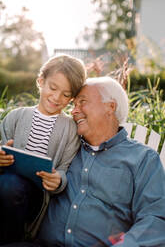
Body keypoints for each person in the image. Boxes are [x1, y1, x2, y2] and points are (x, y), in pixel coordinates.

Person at [2, 76, 165, 247]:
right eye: (73, 104)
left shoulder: (142, 159)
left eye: (82, 102)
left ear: (110, 107)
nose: (73, 111)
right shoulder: (67, 148)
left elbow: (156, 218)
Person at [0, 54, 86, 244]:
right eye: (52, 88)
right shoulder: (15, 117)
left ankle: (12, 241)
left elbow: (66, 169)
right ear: (41, 81)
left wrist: (58, 180)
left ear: (72, 97)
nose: (56, 98)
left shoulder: (70, 129)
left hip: (38, 197)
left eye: (65, 95)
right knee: (8, 183)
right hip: (7, 186)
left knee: (9, 186)